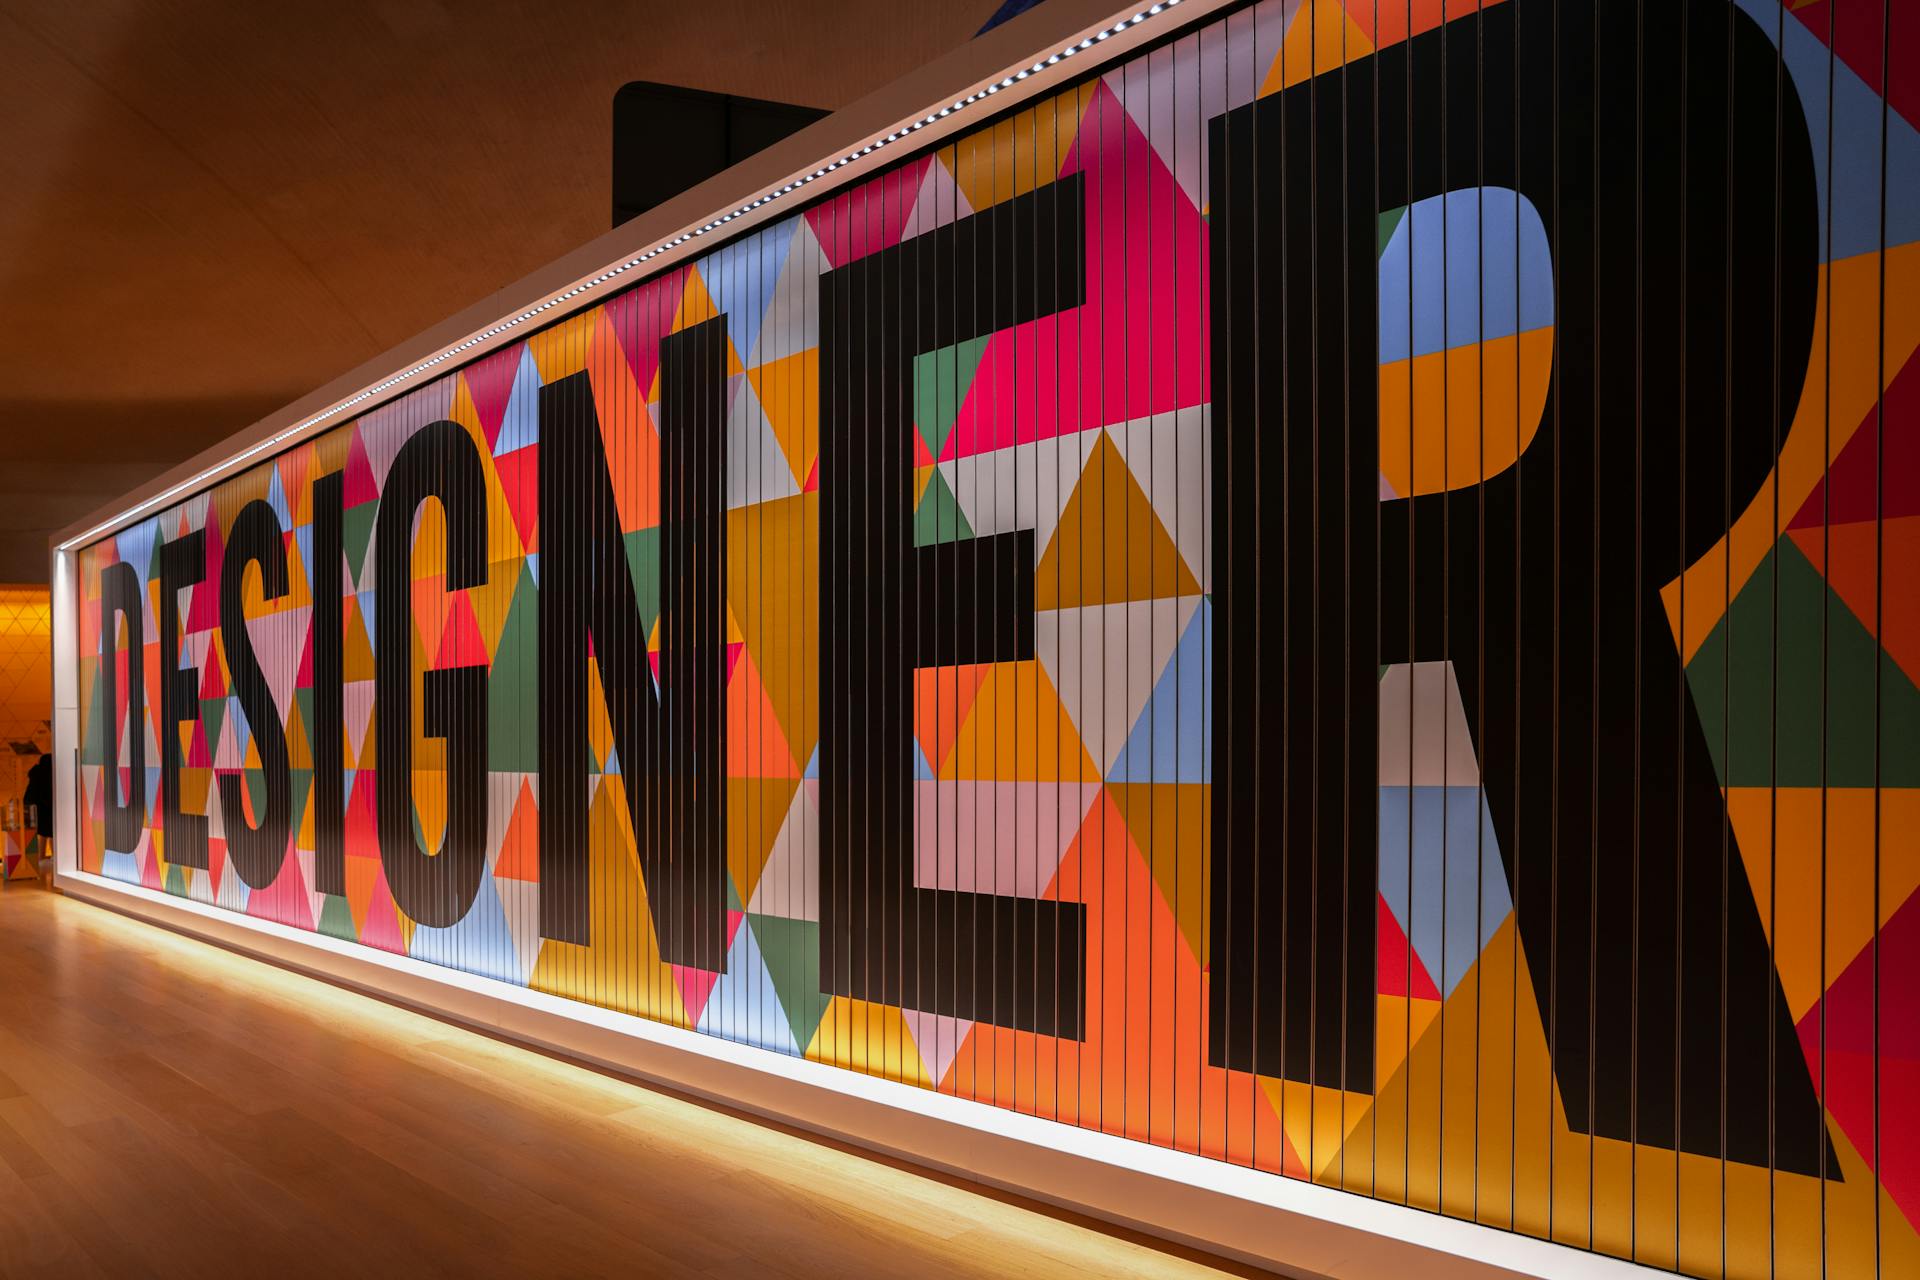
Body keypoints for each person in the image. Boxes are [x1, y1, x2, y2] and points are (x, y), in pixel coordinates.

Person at [23, 753, 51, 841]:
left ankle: (43, 851)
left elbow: (30, 793)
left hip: (39, 809)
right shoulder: (50, 774)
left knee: (43, 833)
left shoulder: (36, 774)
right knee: (51, 833)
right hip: (48, 809)